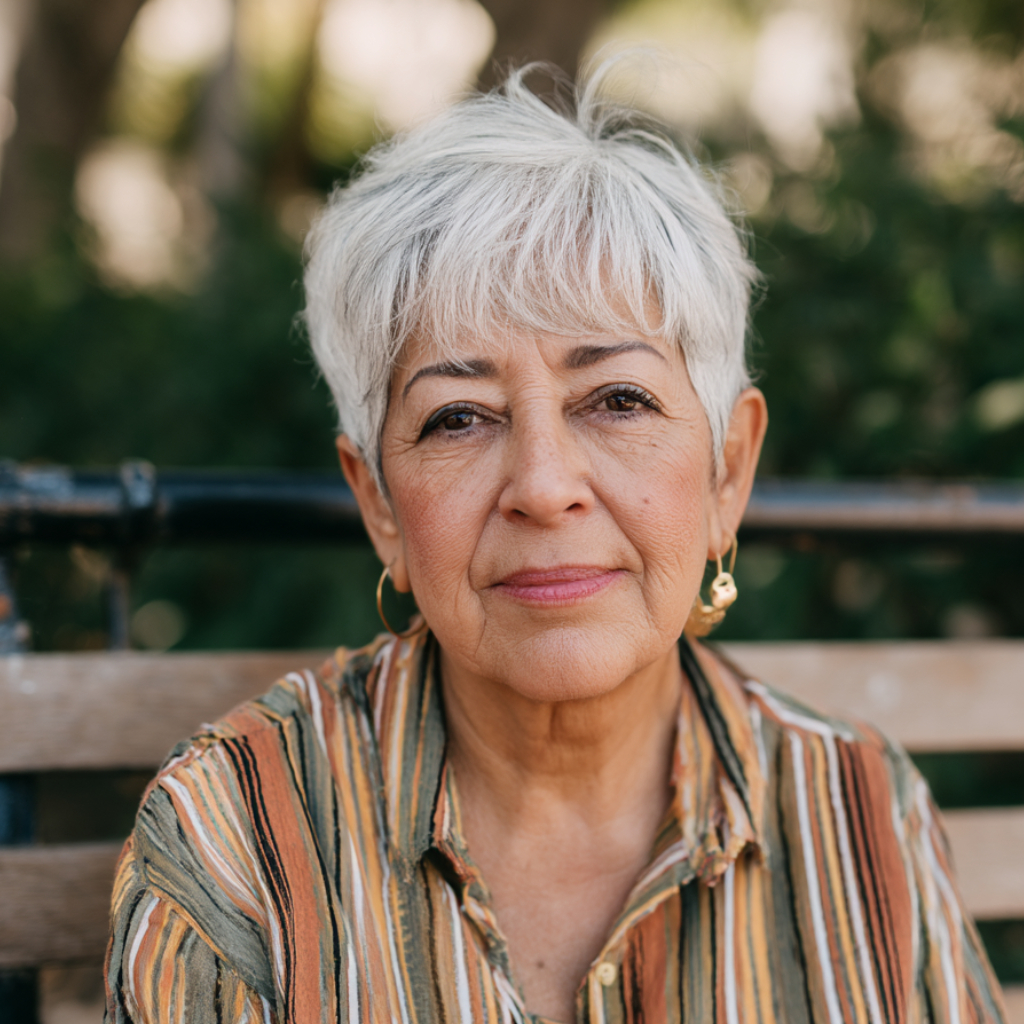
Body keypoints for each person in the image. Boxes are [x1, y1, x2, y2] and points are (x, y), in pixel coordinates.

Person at [104, 65, 1006, 1024]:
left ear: (728, 473)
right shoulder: (237, 842)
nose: (542, 486)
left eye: (618, 400)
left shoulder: (859, 812)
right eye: (458, 417)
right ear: (379, 504)